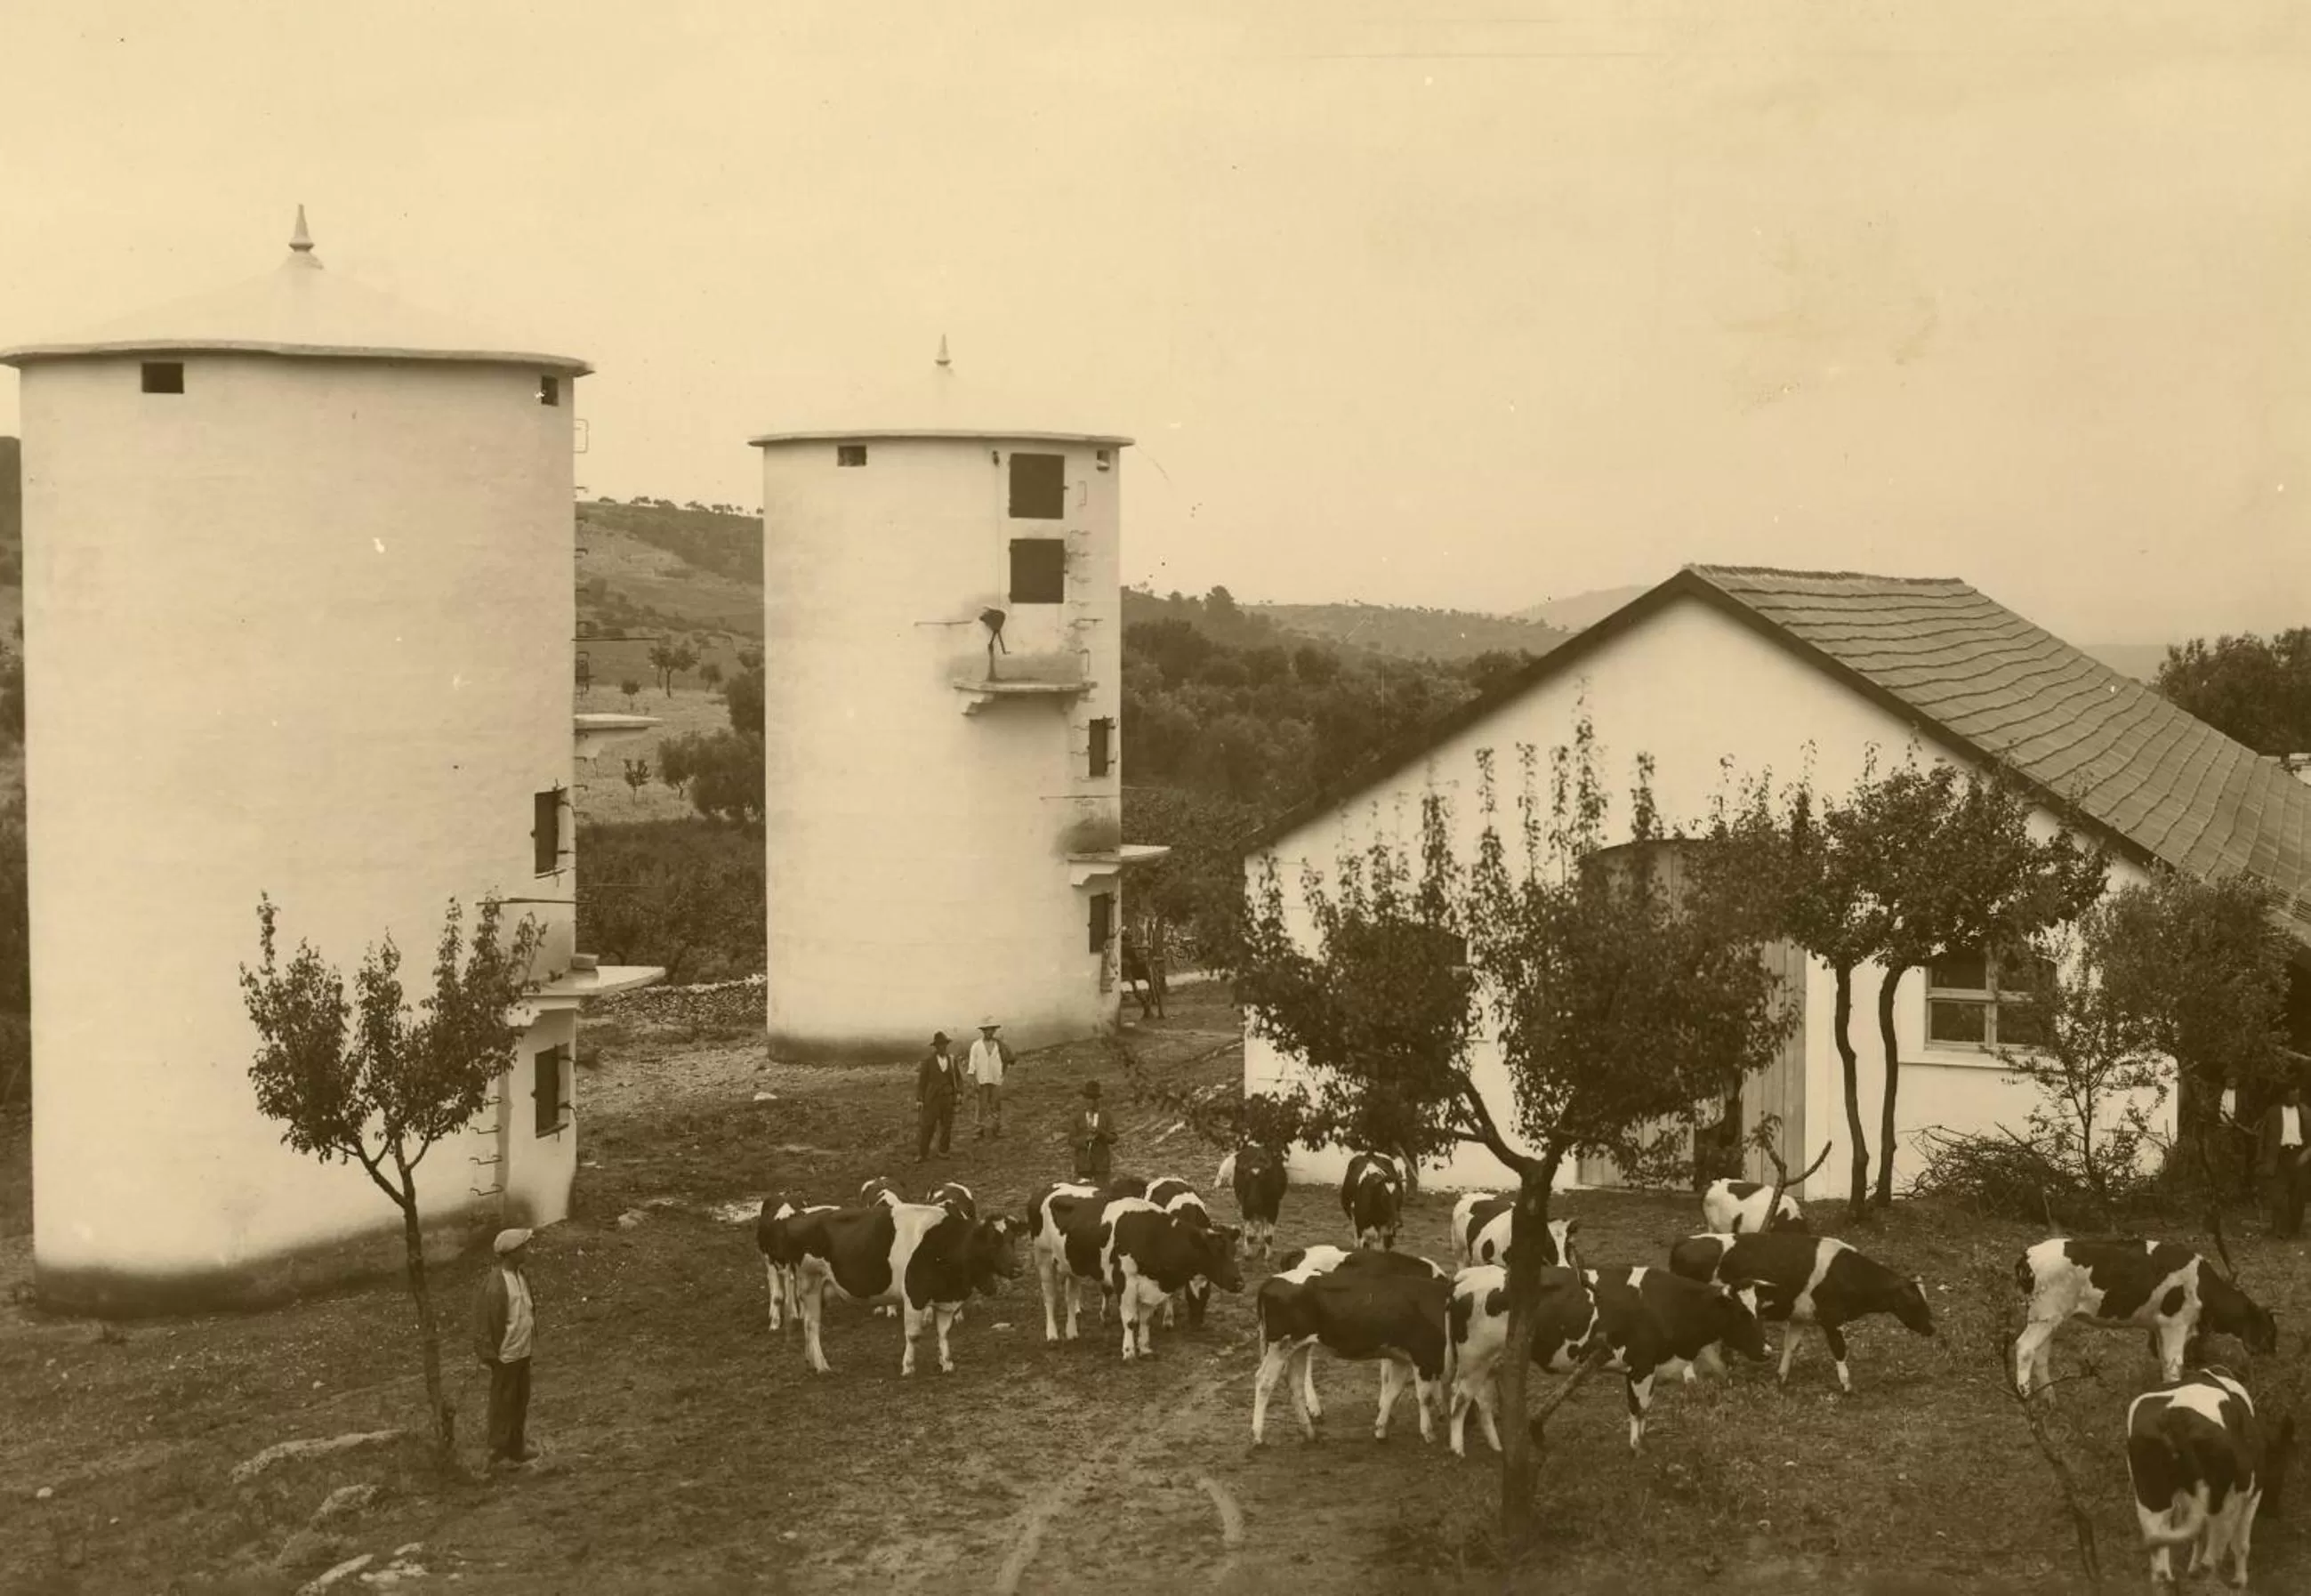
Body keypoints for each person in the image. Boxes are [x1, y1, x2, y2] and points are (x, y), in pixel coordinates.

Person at [472, 1228, 537, 1468]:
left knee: (520, 1400)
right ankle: (497, 1453)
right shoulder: (495, 1285)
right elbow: (483, 1323)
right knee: (503, 1403)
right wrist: (490, 1355)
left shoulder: (521, 1276)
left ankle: (516, 1447)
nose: (527, 1251)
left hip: (522, 1352)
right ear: (511, 1253)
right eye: (523, 1248)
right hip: (505, 1356)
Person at [2257, 1080, 2309, 1238]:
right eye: (2292, 1094)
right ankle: (2280, 1229)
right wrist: (2261, 1160)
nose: (2295, 1097)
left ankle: (2294, 1230)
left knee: (2298, 1195)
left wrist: (2307, 1154)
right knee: (2278, 1194)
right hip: (2279, 1156)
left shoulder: (2305, 1111)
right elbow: (2262, 1137)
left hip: (2300, 1156)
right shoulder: (2273, 1112)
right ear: (2284, 1095)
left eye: (2297, 1094)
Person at [916, 1031, 960, 1162]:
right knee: (928, 1126)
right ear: (935, 1047)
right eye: (940, 1045)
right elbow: (922, 1082)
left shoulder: (952, 1060)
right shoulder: (928, 1062)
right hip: (932, 1099)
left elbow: (958, 1079)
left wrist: (959, 1093)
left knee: (947, 1126)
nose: (942, 1047)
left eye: (944, 1044)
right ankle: (923, 1154)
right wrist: (920, 1099)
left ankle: (943, 1151)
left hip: (948, 1098)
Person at [969, 1019, 1012, 1140]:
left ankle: (996, 1128)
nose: (989, 1032)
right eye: (987, 1030)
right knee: (981, 1106)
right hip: (982, 1080)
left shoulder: (999, 1046)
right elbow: (972, 1065)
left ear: (994, 1031)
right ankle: (978, 1130)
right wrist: (975, 1081)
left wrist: (1001, 1075)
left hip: (995, 1079)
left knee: (996, 1105)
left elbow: (1006, 1060)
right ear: (983, 1031)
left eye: (992, 1030)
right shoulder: (976, 1045)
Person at [1073, 1081, 1115, 1182]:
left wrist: (1100, 1132)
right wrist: (1085, 1140)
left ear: (1098, 1100)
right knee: (1083, 1190)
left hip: (1101, 1166)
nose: (1091, 1101)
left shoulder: (1106, 1116)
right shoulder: (1077, 1117)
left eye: (1094, 1099)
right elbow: (1071, 1140)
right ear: (1085, 1099)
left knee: (1102, 1191)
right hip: (1083, 1166)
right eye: (1088, 1098)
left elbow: (1113, 1138)